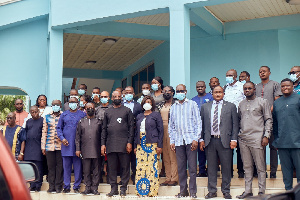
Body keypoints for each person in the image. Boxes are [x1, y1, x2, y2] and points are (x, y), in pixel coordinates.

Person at [200, 86, 238, 199]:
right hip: (210, 140)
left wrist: (234, 139)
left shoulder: (231, 106)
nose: (217, 94)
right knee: (211, 167)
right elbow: (201, 124)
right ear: (212, 93)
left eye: (220, 92)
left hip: (225, 140)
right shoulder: (205, 107)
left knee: (226, 167)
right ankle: (212, 191)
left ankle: (226, 190)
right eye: (215, 92)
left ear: (223, 93)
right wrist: (201, 139)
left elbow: (235, 125)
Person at [236, 82, 272, 199]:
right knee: (247, 167)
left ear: (254, 89)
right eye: (245, 89)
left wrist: (266, 136)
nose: (247, 90)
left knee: (260, 167)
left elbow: (268, 119)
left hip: (257, 139)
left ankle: (261, 192)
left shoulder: (263, 102)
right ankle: (248, 191)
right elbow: (240, 121)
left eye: (249, 88)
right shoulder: (241, 104)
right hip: (243, 139)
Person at [169, 84, 201, 199]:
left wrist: (195, 139)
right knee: (181, 168)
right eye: (178, 91)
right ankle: (183, 191)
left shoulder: (192, 104)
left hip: (190, 141)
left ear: (186, 92)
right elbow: (171, 126)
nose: (180, 93)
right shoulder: (173, 107)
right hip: (178, 141)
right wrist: (172, 141)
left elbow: (198, 123)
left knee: (192, 168)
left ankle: (193, 191)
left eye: (181, 91)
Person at [101, 90, 134, 197]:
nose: (117, 98)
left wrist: (129, 142)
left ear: (122, 97)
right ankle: (113, 188)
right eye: (115, 96)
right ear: (111, 98)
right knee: (111, 168)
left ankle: (123, 188)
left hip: (124, 144)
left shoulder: (127, 110)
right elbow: (104, 129)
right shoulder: (108, 112)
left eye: (119, 96)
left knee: (125, 167)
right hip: (110, 144)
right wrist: (103, 144)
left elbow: (131, 128)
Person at [273, 79, 300, 190]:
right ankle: (288, 193)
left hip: (297, 143)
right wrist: (276, 141)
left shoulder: (298, 99)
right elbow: (275, 123)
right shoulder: (277, 103)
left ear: (293, 86)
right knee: (286, 171)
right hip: (282, 143)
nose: (285, 88)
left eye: (287, 86)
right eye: (283, 86)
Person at [134, 96, 164, 197]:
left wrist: (160, 145)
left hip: (152, 144)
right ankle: (141, 191)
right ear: (142, 104)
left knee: (152, 167)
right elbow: (135, 132)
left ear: (152, 104)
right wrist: (135, 145)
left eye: (149, 102)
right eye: (146, 102)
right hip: (140, 144)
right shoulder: (139, 116)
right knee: (141, 167)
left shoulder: (156, 115)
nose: (147, 104)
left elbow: (161, 131)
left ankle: (152, 191)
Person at [256, 66, 282, 178]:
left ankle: (273, 172)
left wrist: (267, 112)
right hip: (258, 121)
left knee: (272, 146)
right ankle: (262, 172)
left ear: (269, 73)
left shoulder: (275, 84)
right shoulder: (256, 87)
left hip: (271, 119)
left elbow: (277, 101)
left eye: (264, 71)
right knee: (260, 147)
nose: (262, 73)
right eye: (260, 72)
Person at [57, 97, 86, 193]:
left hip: (77, 146)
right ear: (68, 104)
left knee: (78, 167)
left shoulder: (82, 114)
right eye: (71, 102)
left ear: (78, 104)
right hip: (66, 145)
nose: (72, 104)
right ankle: (66, 186)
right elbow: (59, 128)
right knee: (67, 167)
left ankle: (76, 186)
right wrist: (62, 138)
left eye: (74, 102)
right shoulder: (64, 115)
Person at [76, 103, 102, 195]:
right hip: (85, 149)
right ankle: (87, 188)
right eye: (88, 108)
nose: (90, 109)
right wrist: (78, 149)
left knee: (96, 170)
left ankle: (94, 188)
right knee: (86, 170)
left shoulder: (99, 121)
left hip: (96, 149)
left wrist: (103, 147)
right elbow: (78, 137)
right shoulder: (81, 122)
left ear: (95, 109)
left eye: (92, 108)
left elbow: (102, 136)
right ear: (85, 110)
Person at [224, 69, 245, 178]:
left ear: (236, 76)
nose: (229, 77)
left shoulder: (242, 86)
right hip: (227, 121)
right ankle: (229, 172)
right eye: (227, 75)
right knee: (228, 147)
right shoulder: (225, 87)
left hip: (240, 119)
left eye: (231, 75)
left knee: (240, 147)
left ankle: (241, 172)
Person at [158, 86, 178, 186]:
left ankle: (174, 178)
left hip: (172, 131)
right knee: (165, 155)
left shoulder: (176, 103)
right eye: (164, 91)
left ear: (173, 93)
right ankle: (168, 177)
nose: (166, 93)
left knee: (172, 155)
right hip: (162, 131)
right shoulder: (160, 104)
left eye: (168, 91)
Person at [191, 81, 213, 177]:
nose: (200, 88)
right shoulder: (193, 100)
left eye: (202, 86)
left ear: (205, 87)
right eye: (198, 87)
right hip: (197, 127)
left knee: (210, 149)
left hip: (210, 126)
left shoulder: (211, 97)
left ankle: (212, 170)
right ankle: (202, 170)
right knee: (200, 150)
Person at [41, 100, 63, 193]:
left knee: (60, 167)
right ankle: (51, 186)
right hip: (49, 146)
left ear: (60, 105)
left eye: (57, 105)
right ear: (51, 106)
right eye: (54, 105)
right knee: (51, 167)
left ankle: (58, 186)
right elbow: (44, 132)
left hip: (61, 146)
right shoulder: (47, 116)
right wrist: (43, 146)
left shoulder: (63, 116)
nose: (56, 106)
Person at [123, 86, 142, 184]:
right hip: (122, 134)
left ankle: (135, 176)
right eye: (126, 92)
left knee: (134, 157)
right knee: (124, 157)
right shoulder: (120, 105)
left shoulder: (138, 106)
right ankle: (124, 178)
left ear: (133, 94)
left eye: (130, 92)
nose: (128, 94)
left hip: (134, 133)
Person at [24, 106, 44, 192]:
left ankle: (38, 185)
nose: (34, 114)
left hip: (38, 147)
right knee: (30, 168)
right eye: (32, 112)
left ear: (38, 111)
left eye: (35, 112)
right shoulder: (28, 121)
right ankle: (32, 185)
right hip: (29, 147)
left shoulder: (42, 120)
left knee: (38, 167)